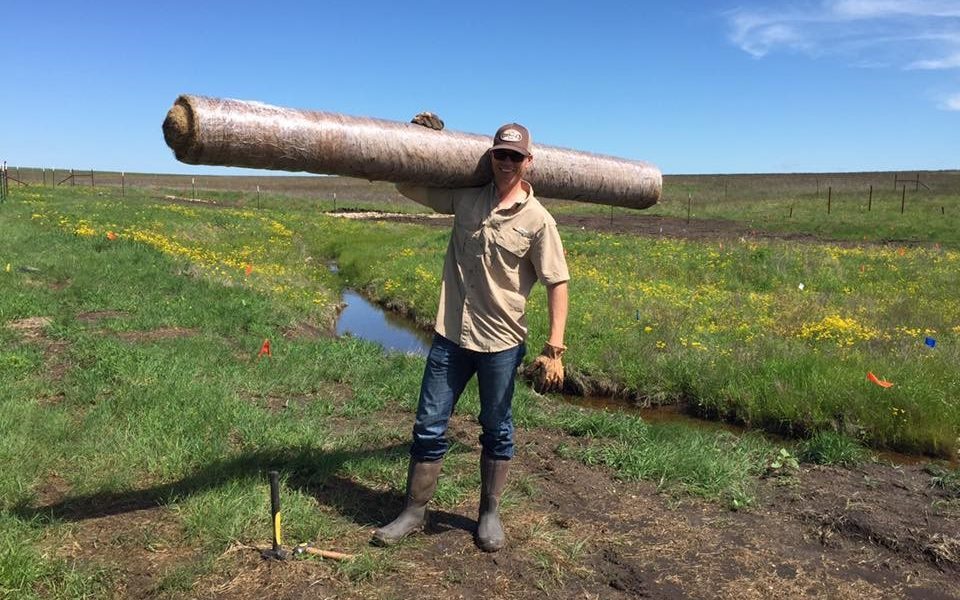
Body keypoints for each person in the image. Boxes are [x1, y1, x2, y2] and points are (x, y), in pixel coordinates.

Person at [371, 116, 570, 552]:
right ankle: (413, 512)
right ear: (491, 155)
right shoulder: (466, 198)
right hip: (451, 335)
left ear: (527, 162)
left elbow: (558, 281)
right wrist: (419, 143)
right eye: (501, 153)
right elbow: (409, 187)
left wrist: (554, 348)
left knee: (497, 428)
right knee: (428, 424)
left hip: (501, 342)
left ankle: (489, 514)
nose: (506, 161)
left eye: (515, 156)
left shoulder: (539, 220)